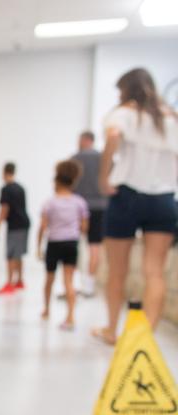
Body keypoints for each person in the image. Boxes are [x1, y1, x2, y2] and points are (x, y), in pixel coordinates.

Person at [94, 67, 178, 344]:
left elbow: (113, 136)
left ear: (127, 90)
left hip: (127, 195)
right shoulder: (171, 118)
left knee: (117, 269)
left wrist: (104, 177)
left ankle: (110, 330)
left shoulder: (125, 113)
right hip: (164, 199)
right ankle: (146, 336)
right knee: (154, 270)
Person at [37, 160, 90, 330]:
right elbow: (84, 227)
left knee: (49, 280)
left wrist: (38, 247)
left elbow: (43, 227)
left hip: (54, 243)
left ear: (57, 181)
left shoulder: (50, 203)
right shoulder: (79, 202)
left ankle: (46, 310)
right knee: (69, 280)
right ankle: (71, 316)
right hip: (71, 243)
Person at [71, 131, 109, 297]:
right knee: (95, 247)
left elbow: (69, 184)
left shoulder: (75, 158)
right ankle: (89, 286)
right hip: (101, 207)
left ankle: (72, 284)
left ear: (86, 140)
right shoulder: (104, 159)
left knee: (75, 245)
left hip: (79, 207)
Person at [0, 162, 31, 295]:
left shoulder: (6, 189)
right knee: (18, 254)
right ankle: (19, 281)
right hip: (24, 223)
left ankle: (9, 283)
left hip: (14, 225)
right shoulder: (21, 188)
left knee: (10, 255)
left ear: (4, 172)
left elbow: (4, 209)